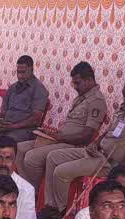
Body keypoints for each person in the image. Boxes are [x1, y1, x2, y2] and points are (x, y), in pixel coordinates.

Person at [40, 73, 125, 219]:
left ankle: (59, 211)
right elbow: (108, 131)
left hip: (108, 162)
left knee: (61, 171)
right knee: (52, 157)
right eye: (124, 96)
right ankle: (51, 205)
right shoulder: (124, 109)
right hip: (97, 152)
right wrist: (95, 143)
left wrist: (117, 173)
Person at [16, 61, 107, 191]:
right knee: (21, 148)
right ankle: (25, 188)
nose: (75, 87)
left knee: (32, 157)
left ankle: (32, 193)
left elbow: (87, 136)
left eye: (77, 83)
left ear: (89, 80)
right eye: (73, 83)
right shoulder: (81, 98)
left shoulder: (97, 101)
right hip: (60, 139)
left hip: (72, 145)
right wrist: (52, 135)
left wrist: (59, 138)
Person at [0, 55, 49, 164]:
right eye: (18, 72)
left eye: (23, 72)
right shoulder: (13, 87)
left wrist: (13, 126)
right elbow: (3, 110)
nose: (20, 76)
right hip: (6, 127)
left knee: (3, 144)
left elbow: (36, 119)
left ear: (32, 70)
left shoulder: (39, 89)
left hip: (23, 130)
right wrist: (1, 121)